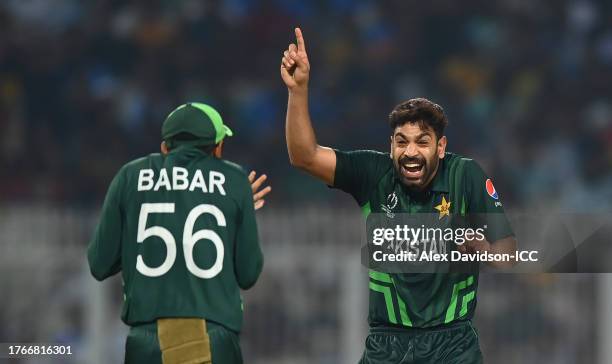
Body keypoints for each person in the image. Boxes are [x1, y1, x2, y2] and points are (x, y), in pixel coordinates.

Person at [280, 28, 517, 363]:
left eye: (422, 141)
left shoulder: (467, 176)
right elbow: (303, 156)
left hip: (453, 345)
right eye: (401, 141)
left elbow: (508, 254)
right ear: (390, 145)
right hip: (386, 345)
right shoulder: (373, 173)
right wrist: (298, 90)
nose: (410, 151)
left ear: (441, 147)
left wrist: (485, 251)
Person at [87, 102, 270, 364]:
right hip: (211, 340)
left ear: (164, 147)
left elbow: (99, 264)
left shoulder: (130, 176)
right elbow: (248, 273)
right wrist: (236, 211)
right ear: (217, 148)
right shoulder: (234, 180)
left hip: (145, 343)